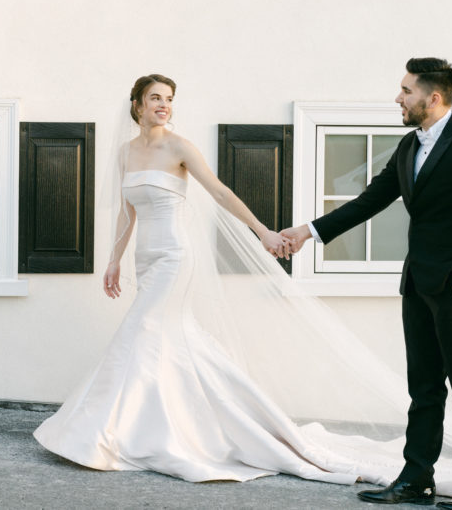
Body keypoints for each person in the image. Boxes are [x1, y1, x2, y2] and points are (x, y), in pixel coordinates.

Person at [33, 74, 414, 486]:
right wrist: (113, 260)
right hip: (146, 258)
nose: (164, 105)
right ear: (137, 105)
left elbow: (219, 192)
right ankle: (161, 426)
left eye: (170, 99)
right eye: (156, 98)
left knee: (140, 331)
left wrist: (264, 232)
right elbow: (128, 212)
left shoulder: (179, 147)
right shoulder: (126, 153)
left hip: (176, 256)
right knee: (166, 342)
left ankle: (109, 431)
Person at [282, 58, 452, 509]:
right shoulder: (408, 147)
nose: (398, 97)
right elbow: (368, 201)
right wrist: (308, 232)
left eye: (406, 90)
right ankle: (417, 478)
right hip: (418, 284)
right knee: (423, 387)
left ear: (434, 97)